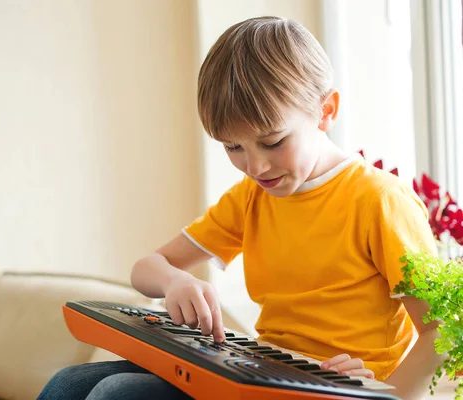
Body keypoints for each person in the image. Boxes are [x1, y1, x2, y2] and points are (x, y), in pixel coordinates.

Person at [37, 16, 445, 400]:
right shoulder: (252, 197)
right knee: (70, 382)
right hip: (260, 373)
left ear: (326, 112)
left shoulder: (379, 200)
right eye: (233, 147)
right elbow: (146, 268)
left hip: (338, 388)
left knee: (117, 394)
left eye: (273, 142)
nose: (255, 166)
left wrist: (384, 393)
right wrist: (175, 281)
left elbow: (441, 331)